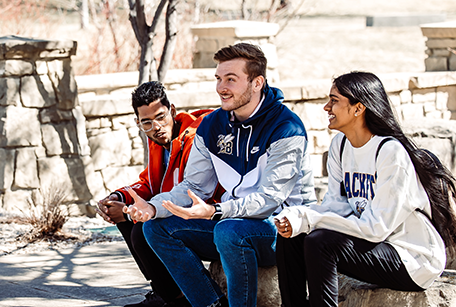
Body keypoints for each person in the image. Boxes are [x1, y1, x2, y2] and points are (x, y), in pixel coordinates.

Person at [124, 43, 317, 307]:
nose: (221, 87)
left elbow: (270, 200)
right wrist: (154, 207)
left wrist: (215, 211)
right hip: (231, 224)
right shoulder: (212, 124)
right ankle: (211, 304)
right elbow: (194, 185)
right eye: (218, 78)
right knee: (155, 229)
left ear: (257, 82)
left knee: (229, 230)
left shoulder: (286, 127)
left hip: (282, 231)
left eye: (231, 79)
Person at [273, 71, 456, 307]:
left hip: (411, 259)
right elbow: (335, 207)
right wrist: (300, 219)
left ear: (358, 108)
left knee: (320, 242)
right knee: (293, 236)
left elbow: (376, 227)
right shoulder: (339, 146)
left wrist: (310, 218)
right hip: (374, 244)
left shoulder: (390, 153)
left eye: (334, 100)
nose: (326, 107)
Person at [97, 81, 215, 307]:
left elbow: (191, 192)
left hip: (209, 217)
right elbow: (150, 184)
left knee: (143, 228)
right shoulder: (158, 142)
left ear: (172, 111)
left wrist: (139, 211)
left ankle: (178, 298)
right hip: (175, 210)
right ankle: (163, 291)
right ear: (138, 123)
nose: (156, 127)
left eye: (161, 117)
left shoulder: (195, 137)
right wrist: (119, 199)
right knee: (123, 217)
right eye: (147, 123)